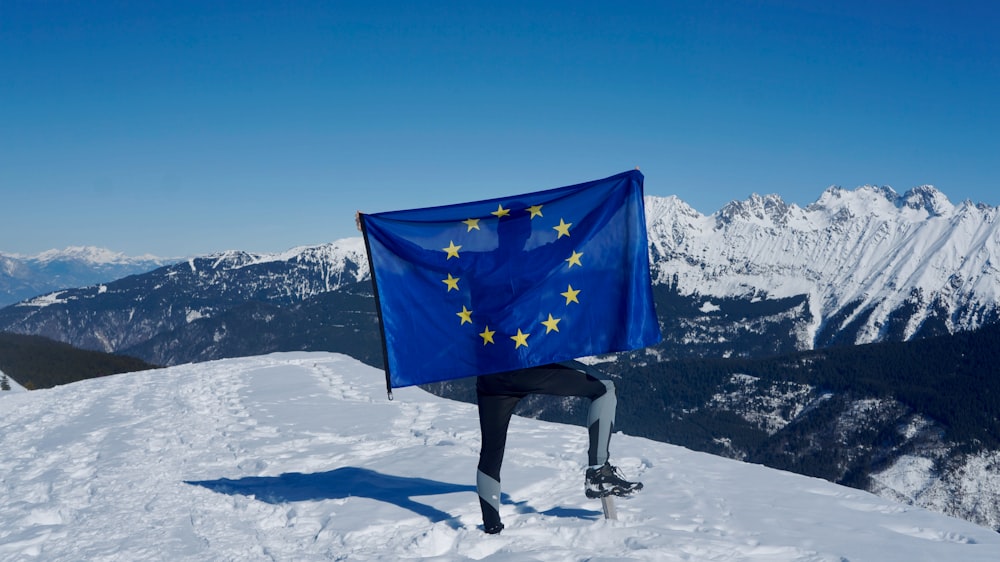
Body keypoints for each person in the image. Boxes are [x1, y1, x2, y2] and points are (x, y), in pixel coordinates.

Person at [475, 359, 643, 534]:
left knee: (490, 450)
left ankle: (491, 525)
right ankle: (598, 472)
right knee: (605, 388)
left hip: (489, 377)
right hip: (525, 365)